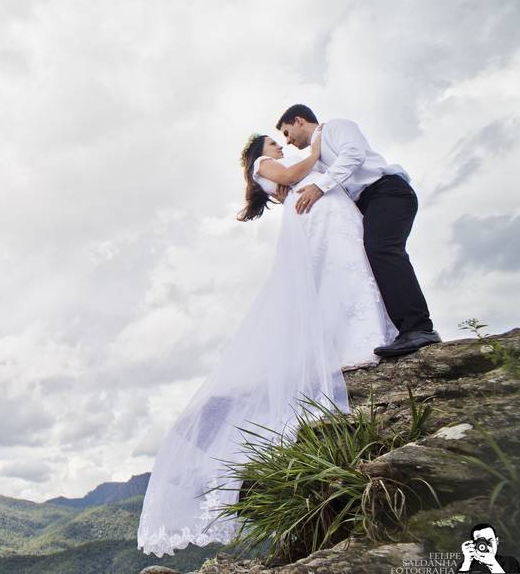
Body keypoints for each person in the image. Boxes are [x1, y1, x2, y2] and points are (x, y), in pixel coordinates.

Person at [137, 132, 396, 557]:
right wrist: (317, 146)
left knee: (342, 283)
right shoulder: (265, 166)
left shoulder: (276, 175)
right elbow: (294, 172)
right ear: (260, 153)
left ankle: (365, 339)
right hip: (320, 220)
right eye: (274, 144)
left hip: (327, 221)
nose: (281, 147)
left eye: (281, 142)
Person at [275, 104, 440, 357]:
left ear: (299, 120)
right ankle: (403, 331)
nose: (287, 141)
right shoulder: (317, 161)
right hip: (370, 203)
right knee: (372, 256)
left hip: (387, 191)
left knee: (382, 249)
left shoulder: (337, 127)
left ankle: (419, 328)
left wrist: (320, 186)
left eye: (287, 133)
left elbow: (353, 155)